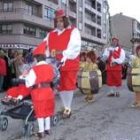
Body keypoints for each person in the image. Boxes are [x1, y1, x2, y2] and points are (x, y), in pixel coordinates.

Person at [44, 9, 81, 118]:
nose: (59, 23)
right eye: (57, 21)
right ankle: (65, 107)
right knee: (60, 86)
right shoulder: (51, 34)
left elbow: (74, 48)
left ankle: (68, 108)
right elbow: (45, 47)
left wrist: (62, 54)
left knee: (68, 86)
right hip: (55, 65)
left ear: (65, 21)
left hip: (69, 64)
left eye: (61, 21)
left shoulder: (73, 31)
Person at [23, 41, 55, 139]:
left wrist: (25, 77)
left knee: (40, 112)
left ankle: (41, 132)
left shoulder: (34, 68)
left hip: (39, 93)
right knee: (47, 110)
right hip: (48, 91)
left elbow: (30, 82)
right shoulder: (50, 67)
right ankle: (48, 129)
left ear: (36, 58)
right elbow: (52, 78)